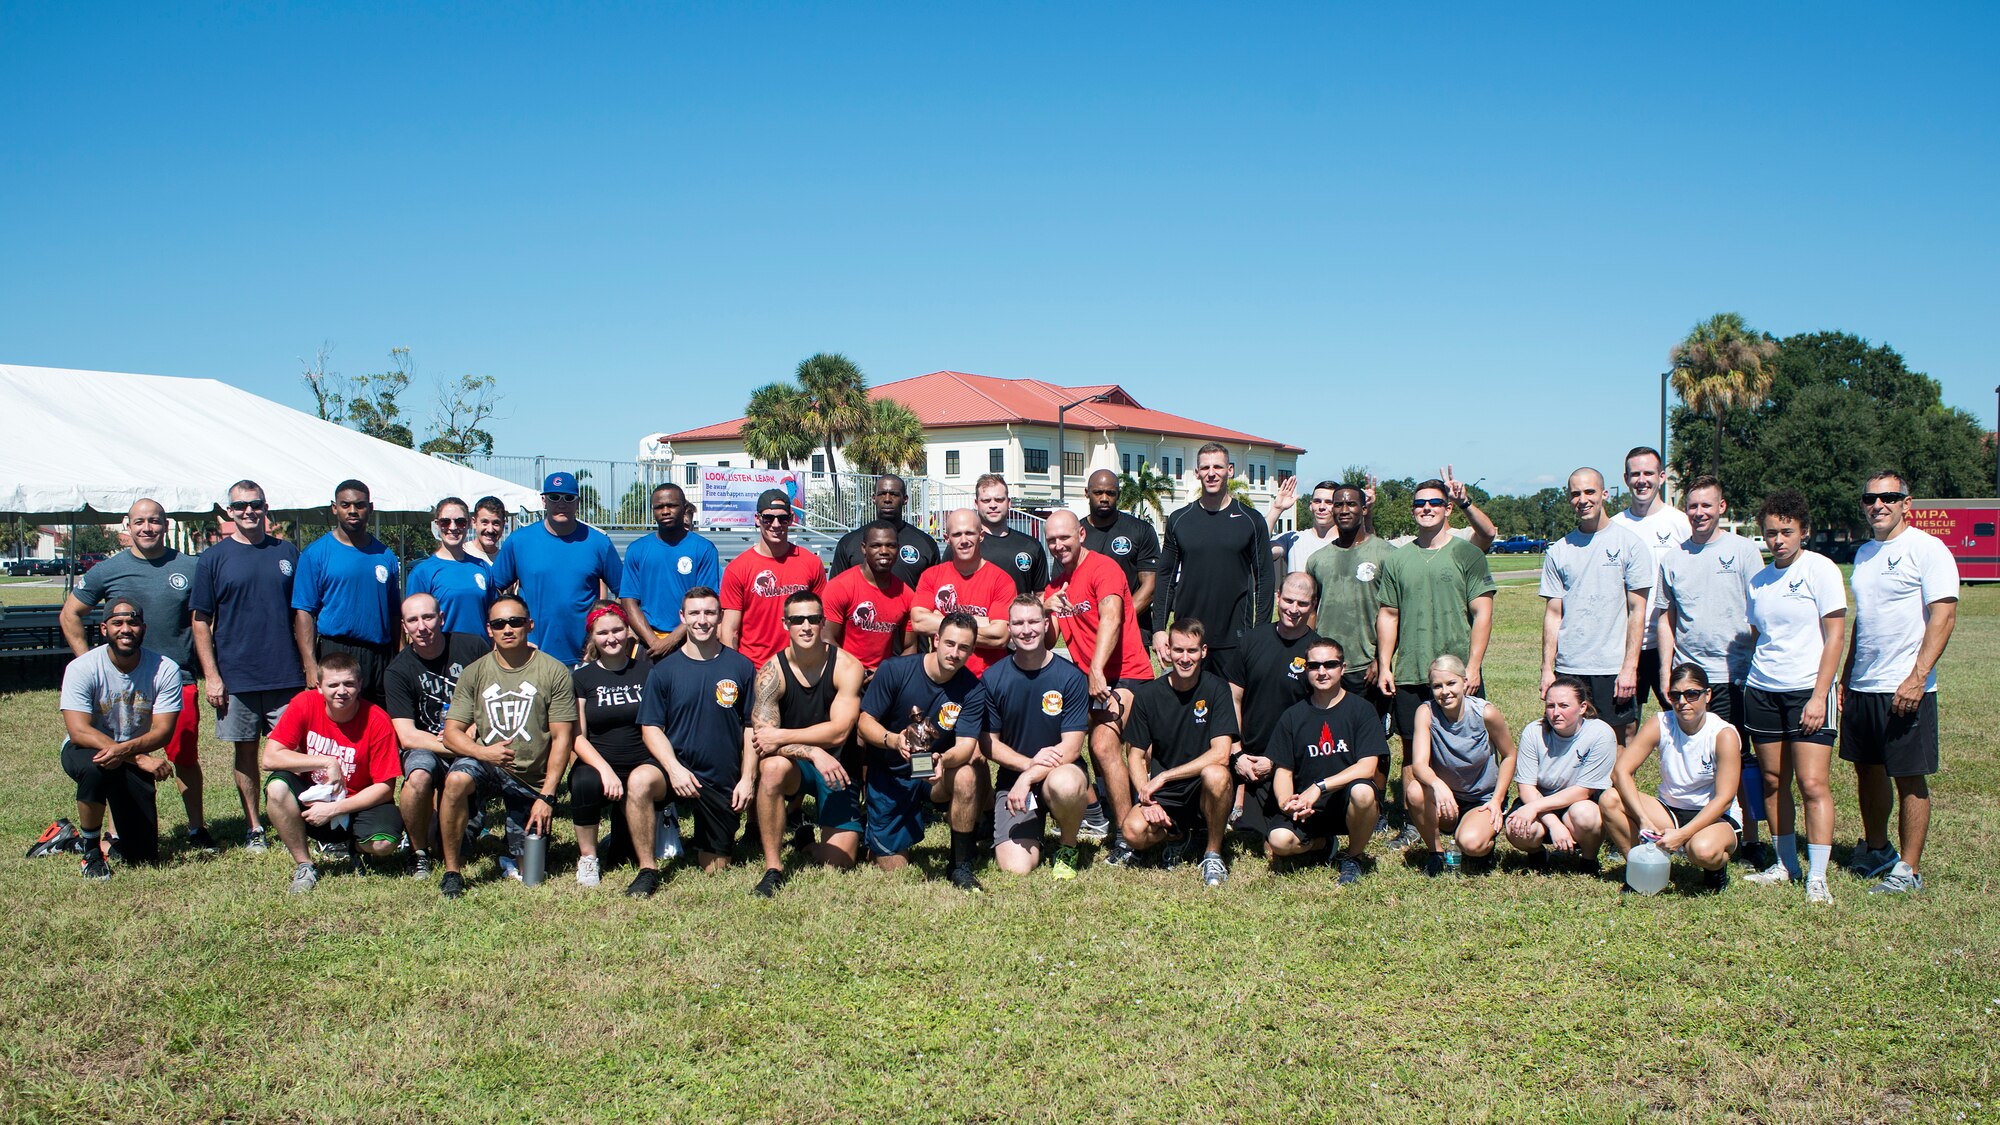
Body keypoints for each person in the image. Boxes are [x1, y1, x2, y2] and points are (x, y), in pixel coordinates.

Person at [61, 499, 211, 851]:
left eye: (155, 521)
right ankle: (115, 833)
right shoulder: (107, 569)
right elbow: (70, 615)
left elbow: (205, 620)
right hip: (121, 686)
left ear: (165, 525)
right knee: (118, 755)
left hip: (175, 679)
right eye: (140, 521)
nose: (147, 528)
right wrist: (93, 666)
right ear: (127, 526)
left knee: (185, 758)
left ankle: (196, 828)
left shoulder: (190, 567)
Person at [1841, 471, 1959, 896]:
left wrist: (1917, 677)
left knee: (1908, 776)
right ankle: (1876, 849)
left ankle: (1908, 870)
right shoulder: (1865, 553)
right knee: (1867, 769)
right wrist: (1846, 674)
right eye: (1870, 498)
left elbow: (1943, 615)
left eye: (1889, 497)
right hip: (1864, 684)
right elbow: (1865, 620)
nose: (1879, 505)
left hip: (1906, 686)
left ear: (1907, 503)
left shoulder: (1929, 549)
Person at [1375, 477, 1498, 850]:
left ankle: (1483, 806)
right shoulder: (1398, 559)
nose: (1425, 508)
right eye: (1419, 504)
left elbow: (1483, 612)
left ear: (1447, 509)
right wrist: (1385, 664)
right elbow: (1389, 614)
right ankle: (1417, 822)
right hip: (1412, 670)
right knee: (1413, 751)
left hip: (1457, 674)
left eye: (1433, 502)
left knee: (1470, 744)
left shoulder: (1466, 554)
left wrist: (1474, 665)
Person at [1740, 490, 1847, 903]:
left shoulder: (1821, 570)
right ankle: (1785, 864)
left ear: (1803, 530)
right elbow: (1758, 638)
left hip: (1808, 691)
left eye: (1786, 531)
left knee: (1813, 782)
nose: (1778, 540)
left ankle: (1817, 876)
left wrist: (1821, 695)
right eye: (1770, 533)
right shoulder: (1759, 581)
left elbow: (1835, 635)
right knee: (1771, 781)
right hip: (1764, 690)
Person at [1656, 475, 1768, 867]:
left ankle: (1747, 836)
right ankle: (1696, 823)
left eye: (1707, 505)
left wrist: (1754, 663)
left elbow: (1759, 612)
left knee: (1738, 758)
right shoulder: (1673, 558)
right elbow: (1666, 619)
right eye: (1692, 505)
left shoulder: (1743, 551)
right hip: (1690, 680)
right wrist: (1666, 671)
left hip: (1735, 676)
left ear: (1722, 507)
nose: (1699, 512)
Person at [438, 594, 578, 899]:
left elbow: (563, 740)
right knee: (456, 780)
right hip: (487, 763)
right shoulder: (474, 672)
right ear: (489, 630)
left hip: (529, 777)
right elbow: (451, 734)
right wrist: (482, 752)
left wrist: (547, 797)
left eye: (515, 622)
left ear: (529, 625)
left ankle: (505, 841)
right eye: (499, 624)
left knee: (532, 874)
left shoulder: (554, 671)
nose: (507, 629)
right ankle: (452, 871)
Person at [191, 479, 302, 851]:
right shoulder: (212, 559)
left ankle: (297, 816)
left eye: (255, 504)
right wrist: (212, 676)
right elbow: (200, 621)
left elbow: (302, 615)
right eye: (240, 506)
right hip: (236, 676)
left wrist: (309, 667)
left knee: (292, 751)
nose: (248, 512)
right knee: (245, 751)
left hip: (285, 673)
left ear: (266, 506)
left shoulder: (286, 552)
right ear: (229, 512)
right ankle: (254, 826)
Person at [1042, 510, 1152, 861]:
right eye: (1052, 541)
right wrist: (1046, 610)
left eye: (1065, 538)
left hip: (1127, 673)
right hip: (1091, 679)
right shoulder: (1056, 584)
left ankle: (1125, 837)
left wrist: (1095, 669)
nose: (1059, 545)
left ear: (1081, 535)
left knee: (1104, 744)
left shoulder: (1104, 568)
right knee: (1058, 740)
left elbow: (1112, 617)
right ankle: (1094, 811)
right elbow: (1048, 642)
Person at [856, 614, 989, 890]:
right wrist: (894, 741)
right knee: (895, 869)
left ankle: (960, 864)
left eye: (964, 647)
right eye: (949, 643)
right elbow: (864, 722)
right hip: (891, 776)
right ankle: (872, 836)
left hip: (932, 774)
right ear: (935, 640)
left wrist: (943, 759)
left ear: (972, 650)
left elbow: (965, 746)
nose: (955, 653)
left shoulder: (973, 690)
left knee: (966, 774)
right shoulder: (895, 670)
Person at [748, 591, 867, 896]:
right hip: (800, 765)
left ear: (823, 622)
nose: (806, 626)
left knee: (838, 863)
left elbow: (840, 732)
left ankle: (806, 842)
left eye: (813, 619)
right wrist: (813, 752)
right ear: (784, 623)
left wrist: (785, 736)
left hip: (839, 765)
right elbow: (764, 739)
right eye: (797, 620)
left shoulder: (847, 666)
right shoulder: (771, 673)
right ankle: (773, 868)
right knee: (772, 767)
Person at [638, 586, 758, 886]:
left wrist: (747, 778)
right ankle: (647, 870)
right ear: (683, 617)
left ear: (719, 617)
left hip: (719, 776)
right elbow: (651, 727)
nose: (701, 620)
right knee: (640, 780)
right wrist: (674, 769)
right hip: (673, 769)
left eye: (709, 612)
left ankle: (694, 835)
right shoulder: (663, 671)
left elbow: (751, 727)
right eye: (694, 613)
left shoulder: (741, 666)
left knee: (715, 868)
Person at [260, 653, 404, 894]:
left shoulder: (378, 720)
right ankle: (304, 864)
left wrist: (334, 809)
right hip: (312, 801)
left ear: (359, 684)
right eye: (333, 685)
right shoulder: (304, 703)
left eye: (348, 684)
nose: (341, 691)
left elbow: (386, 787)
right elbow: (270, 758)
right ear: (319, 687)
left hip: (358, 804)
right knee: (276, 788)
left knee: (383, 844)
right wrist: (327, 762)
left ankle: (357, 848)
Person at [58, 598, 181, 877]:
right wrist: (138, 757)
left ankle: (68, 838)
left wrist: (127, 755)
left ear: (143, 628)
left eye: (133, 623)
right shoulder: (83, 668)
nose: (126, 629)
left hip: (130, 756)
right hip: (86, 748)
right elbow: (79, 730)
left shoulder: (164, 669)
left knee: (142, 855)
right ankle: (91, 852)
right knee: (96, 766)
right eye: (118, 623)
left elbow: (163, 731)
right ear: (104, 629)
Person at [1600, 663, 1742, 892]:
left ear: (1708, 695)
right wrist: (1643, 819)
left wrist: (1684, 835)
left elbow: (1724, 799)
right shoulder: (1661, 722)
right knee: (1609, 798)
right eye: (1675, 695)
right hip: (1670, 810)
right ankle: (1639, 868)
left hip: (1714, 816)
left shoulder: (1723, 734)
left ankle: (1715, 870)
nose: (1682, 701)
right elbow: (1620, 771)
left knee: (1702, 851)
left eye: (1691, 694)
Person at [980, 595, 1091, 878]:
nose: (1026, 630)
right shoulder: (993, 678)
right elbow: (989, 743)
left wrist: (1029, 775)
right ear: (1008, 627)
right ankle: (1032, 825)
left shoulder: (1071, 677)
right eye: (1018, 623)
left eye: (1032, 622)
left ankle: (1067, 845)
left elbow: (1072, 747)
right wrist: (1026, 768)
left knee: (1066, 784)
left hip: (1058, 772)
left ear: (1045, 624)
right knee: (1016, 869)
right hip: (1014, 780)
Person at [1263, 637, 1389, 885]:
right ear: (1306, 670)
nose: (1322, 672)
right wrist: (1286, 801)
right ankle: (1323, 843)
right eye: (1314, 666)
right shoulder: (1292, 716)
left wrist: (1319, 786)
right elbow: (1283, 771)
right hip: (1308, 809)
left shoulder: (1361, 710)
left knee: (1363, 791)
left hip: (1346, 803)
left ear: (1342, 668)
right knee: (1278, 841)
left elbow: (1367, 767)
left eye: (1330, 664)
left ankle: (1353, 856)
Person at [1122, 619, 1238, 886]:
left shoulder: (1217, 689)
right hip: (1167, 793)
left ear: (1204, 651)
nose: (1185, 658)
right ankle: (1178, 835)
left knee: (1217, 774)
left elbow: (1221, 754)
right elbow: (1135, 755)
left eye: (1192, 651)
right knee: (1132, 832)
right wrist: (1147, 797)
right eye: (1178, 651)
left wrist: (1164, 776)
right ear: (1167, 651)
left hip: (1203, 785)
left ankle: (1212, 853)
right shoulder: (1148, 695)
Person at [1538, 468, 1651, 743]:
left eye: (1589, 492)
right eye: (1575, 494)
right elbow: (1553, 614)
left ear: (1604, 494)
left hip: (1611, 667)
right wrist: (1546, 669)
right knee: (1568, 742)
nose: (1583, 499)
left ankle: (1615, 789)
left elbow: (1637, 612)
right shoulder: (1560, 550)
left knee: (1617, 743)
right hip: (1571, 665)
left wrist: (1629, 668)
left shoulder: (1630, 544)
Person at [382, 592, 489, 878]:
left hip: (471, 742)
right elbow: (407, 736)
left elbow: (491, 698)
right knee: (418, 776)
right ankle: (418, 853)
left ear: (441, 618)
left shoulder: (473, 647)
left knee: (456, 851)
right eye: (413, 620)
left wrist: (472, 733)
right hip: (431, 744)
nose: (422, 626)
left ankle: (457, 829)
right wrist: (457, 744)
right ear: (404, 626)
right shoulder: (397, 671)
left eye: (428, 617)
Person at [1155, 444, 1273, 682]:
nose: (1212, 473)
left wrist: (1260, 634)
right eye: (1205, 467)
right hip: (1189, 637)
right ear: (1197, 473)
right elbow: (1165, 577)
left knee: (1232, 708)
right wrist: (1159, 629)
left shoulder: (1251, 520)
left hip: (1235, 637)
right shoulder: (1180, 520)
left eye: (1218, 467)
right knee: (1188, 710)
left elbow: (1265, 579)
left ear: (1229, 470)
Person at [559, 602, 656, 888]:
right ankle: (588, 857)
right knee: (584, 782)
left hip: (643, 762)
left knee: (622, 854)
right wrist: (605, 770)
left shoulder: (647, 672)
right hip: (599, 763)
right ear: (592, 638)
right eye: (603, 633)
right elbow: (577, 736)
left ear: (629, 632)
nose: (611, 637)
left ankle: (651, 830)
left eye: (618, 630)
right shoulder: (581, 677)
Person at [489, 471, 623, 666]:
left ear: (577, 503)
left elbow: (625, 593)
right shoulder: (519, 541)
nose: (561, 503)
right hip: (530, 655)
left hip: (585, 658)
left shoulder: (598, 543)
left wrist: (603, 633)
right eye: (554, 497)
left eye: (568, 498)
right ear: (544, 501)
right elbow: (495, 589)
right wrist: (505, 630)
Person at [1229, 573, 1320, 842]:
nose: (1293, 609)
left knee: (1276, 837)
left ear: (1313, 604)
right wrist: (1237, 753)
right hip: (1248, 755)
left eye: (1302, 603)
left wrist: (1278, 761)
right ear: (1277, 597)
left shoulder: (1317, 653)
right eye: (1288, 600)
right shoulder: (1251, 641)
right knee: (1249, 834)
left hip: (1291, 762)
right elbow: (1233, 698)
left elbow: (1318, 717)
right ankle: (1239, 802)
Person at [291, 479, 401, 703]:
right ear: (334, 508)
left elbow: (394, 613)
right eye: (345, 505)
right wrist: (310, 664)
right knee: (340, 722)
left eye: (359, 505)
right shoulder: (316, 553)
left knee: (379, 719)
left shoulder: (385, 555)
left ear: (370, 508)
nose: (353, 511)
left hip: (380, 653)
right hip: (336, 650)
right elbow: (304, 612)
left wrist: (400, 657)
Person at [1407, 654, 1516, 875]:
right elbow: (1418, 764)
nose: (1444, 692)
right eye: (1437, 686)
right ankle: (1436, 854)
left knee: (1470, 843)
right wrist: (1437, 785)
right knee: (1414, 791)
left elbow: (1510, 755)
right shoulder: (1426, 713)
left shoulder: (1485, 713)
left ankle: (1483, 845)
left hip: (1482, 799)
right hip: (1447, 799)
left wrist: (1497, 799)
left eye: (1451, 683)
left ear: (1465, 682)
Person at [1504, 675, 1616, 872]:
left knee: (1587, 815)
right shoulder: (1533, 732)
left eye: (1564, 706)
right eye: (1550, 706)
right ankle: (1537, 854)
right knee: (1517, 828)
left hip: (1578, 803)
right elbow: (1526, 788)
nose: (1556, 713)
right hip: (1540, 799)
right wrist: (1553, 823)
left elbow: (1583, 791)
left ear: (1582, 708)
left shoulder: (1600, 734)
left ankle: (1589, 860)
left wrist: (1536, 809)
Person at [1611, 447, 1693, 713]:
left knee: (1680, 716)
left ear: (1661, 477)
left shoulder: (1681, 523)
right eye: (1635, 474)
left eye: (1648, 473)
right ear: (1626, 479)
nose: (1641, 480)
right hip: (1624, 643)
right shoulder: (1614, 526)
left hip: (1669, 642)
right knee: (1625, 724)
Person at [1304, 484, 1396, 716]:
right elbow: (1311, 612)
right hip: (1327, 665)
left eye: (1351, 504)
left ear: (1364, 509)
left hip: (1366, 667)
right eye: (1338, 505)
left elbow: (1396, 613)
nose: (1344, 510)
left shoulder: (1387, 554)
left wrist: (1381, 661)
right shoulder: (1317, 560)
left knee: (1371, 739)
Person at [720, 488, 827, 669]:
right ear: (757, 519)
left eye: (782, 518)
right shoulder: (737, 568)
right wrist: (734, 673)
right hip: (756, 668)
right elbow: (730, 630)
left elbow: (822, 622)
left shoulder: (811, 563)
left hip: (802, 667)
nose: (776, 524)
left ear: (791, 519)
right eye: (768, 518)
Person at [620, 483, 723, 659]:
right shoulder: (637, 549)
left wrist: (670, 641)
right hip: (648, 645)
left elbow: (705, 604)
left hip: (691, 642)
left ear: (684, 508)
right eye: (659, 507)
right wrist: (653, 642)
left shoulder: (704, 549)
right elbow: (629, 602)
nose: (665, 511)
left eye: (672, 505)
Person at [911, 509, 1015, 675]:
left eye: (970, 533)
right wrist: (982, 622)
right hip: (943, 679)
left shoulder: (1001, 580)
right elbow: (918, 622)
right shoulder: (931, 576)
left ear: (981, 535)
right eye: (957, 534)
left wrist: (942, 620)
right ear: (947, 539)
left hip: (987, 681)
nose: (964, 540)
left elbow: (1000, 637)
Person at [820, 520, 915, 672]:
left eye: (890, 545)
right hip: (843, 674)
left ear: (898, 549)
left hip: (883, 679)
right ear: (864, 549)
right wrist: (855, 671)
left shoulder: (907, 594)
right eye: (876, 545)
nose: (884, 551)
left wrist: (888, 672)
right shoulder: (840, 587)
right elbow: (826, 638)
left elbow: (910, 647)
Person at [1079, 468, 1161, 635]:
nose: (1104, 498)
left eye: (1110, 493)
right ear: (1087, 493)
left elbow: (1150, 586)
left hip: (1132, 631)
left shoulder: (1141, 530)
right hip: (1089, 633)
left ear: (1119, 494)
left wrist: (1115, 619)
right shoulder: (1075, 534)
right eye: (1098, 492)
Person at [403, 496, 495, 638]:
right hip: (443, 656)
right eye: (445, 522)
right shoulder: (422, 573)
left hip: (481, 654)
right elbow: (414, 626)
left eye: (460, 522)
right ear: (436, 524)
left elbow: (493, 617)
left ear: (469, 524)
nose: (453, 528)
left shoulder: (482, 567)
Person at [831, 474, 939, 588]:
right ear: (874, 498)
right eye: (882, 494)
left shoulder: (925, 544)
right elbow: (835, 589)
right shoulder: (849, 543)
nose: (887, 499)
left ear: (905, 499)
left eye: (894, 494)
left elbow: (935, 593)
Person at [973, 474, 1048, 595]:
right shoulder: (963, 546)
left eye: (999, 499)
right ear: (976, 504)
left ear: (1009, 503)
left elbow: (1041, 594)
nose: (993, 505)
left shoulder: (1031, 546)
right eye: (986, 500)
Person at [466, 497, 508, 565]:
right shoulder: (461, 554)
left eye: (496, 523)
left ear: (503, 525)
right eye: (484, 523)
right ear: (474, 523)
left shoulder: (505, 561)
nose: (490, 530)